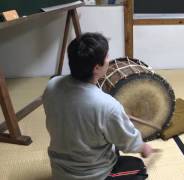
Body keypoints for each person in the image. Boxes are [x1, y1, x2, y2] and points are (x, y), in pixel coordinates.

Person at [43, 32, 153, 180]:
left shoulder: (52, 85)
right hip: (92, 175)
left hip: (59, 171)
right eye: (107, 56)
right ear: (96, 67)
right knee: (139, 167)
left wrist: (109, 118)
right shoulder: (107, 105)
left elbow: (72, 113)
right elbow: (128, 143)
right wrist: (143, 147)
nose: (109, 59)